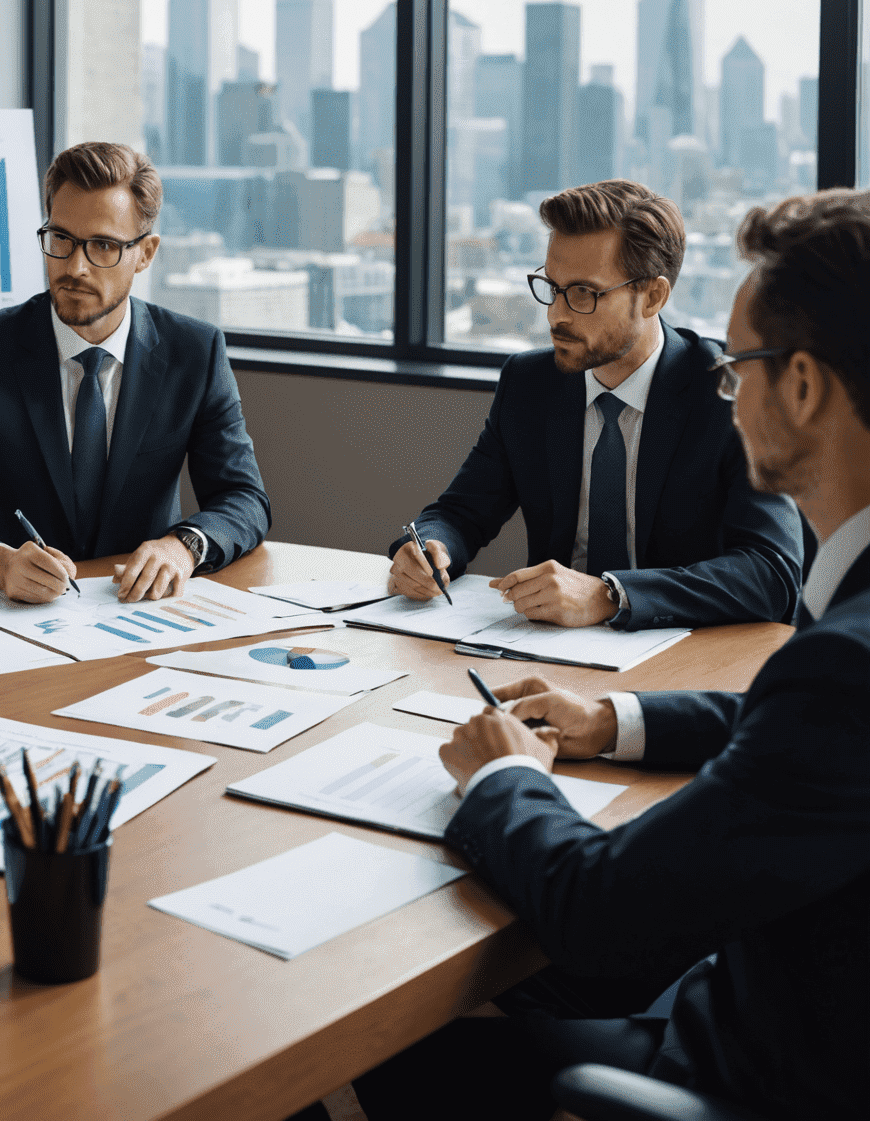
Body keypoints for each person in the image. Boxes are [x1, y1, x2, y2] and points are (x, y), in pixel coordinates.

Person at [342, 188, 870, 1121]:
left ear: (801, 385)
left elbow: (601, 918)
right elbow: (804, 729)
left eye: (739, 368)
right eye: (553, 286)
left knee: (384, 1028)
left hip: (734, 1070)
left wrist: (506, 780)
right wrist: (613, 721)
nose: (728, 389)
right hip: (797, 998)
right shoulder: (842, 669)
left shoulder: (838, 668)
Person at [389, 179, 802, 630]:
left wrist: (611, 595)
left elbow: (772, 573)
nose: (556, 314)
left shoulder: (729, 391)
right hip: (548, 649)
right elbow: (461, 512)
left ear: (653, 296)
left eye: (584, 293)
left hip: (683, 658)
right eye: (552, 286)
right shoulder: (530, 384)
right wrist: (430, 547)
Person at [0, 142, 270, 603]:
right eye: (61, 240)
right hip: (12, 617)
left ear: (146, 253)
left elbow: (244, 499)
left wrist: (182, 546)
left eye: (104, 246)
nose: (75, 267)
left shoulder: (195, 352)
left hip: (140, 611)